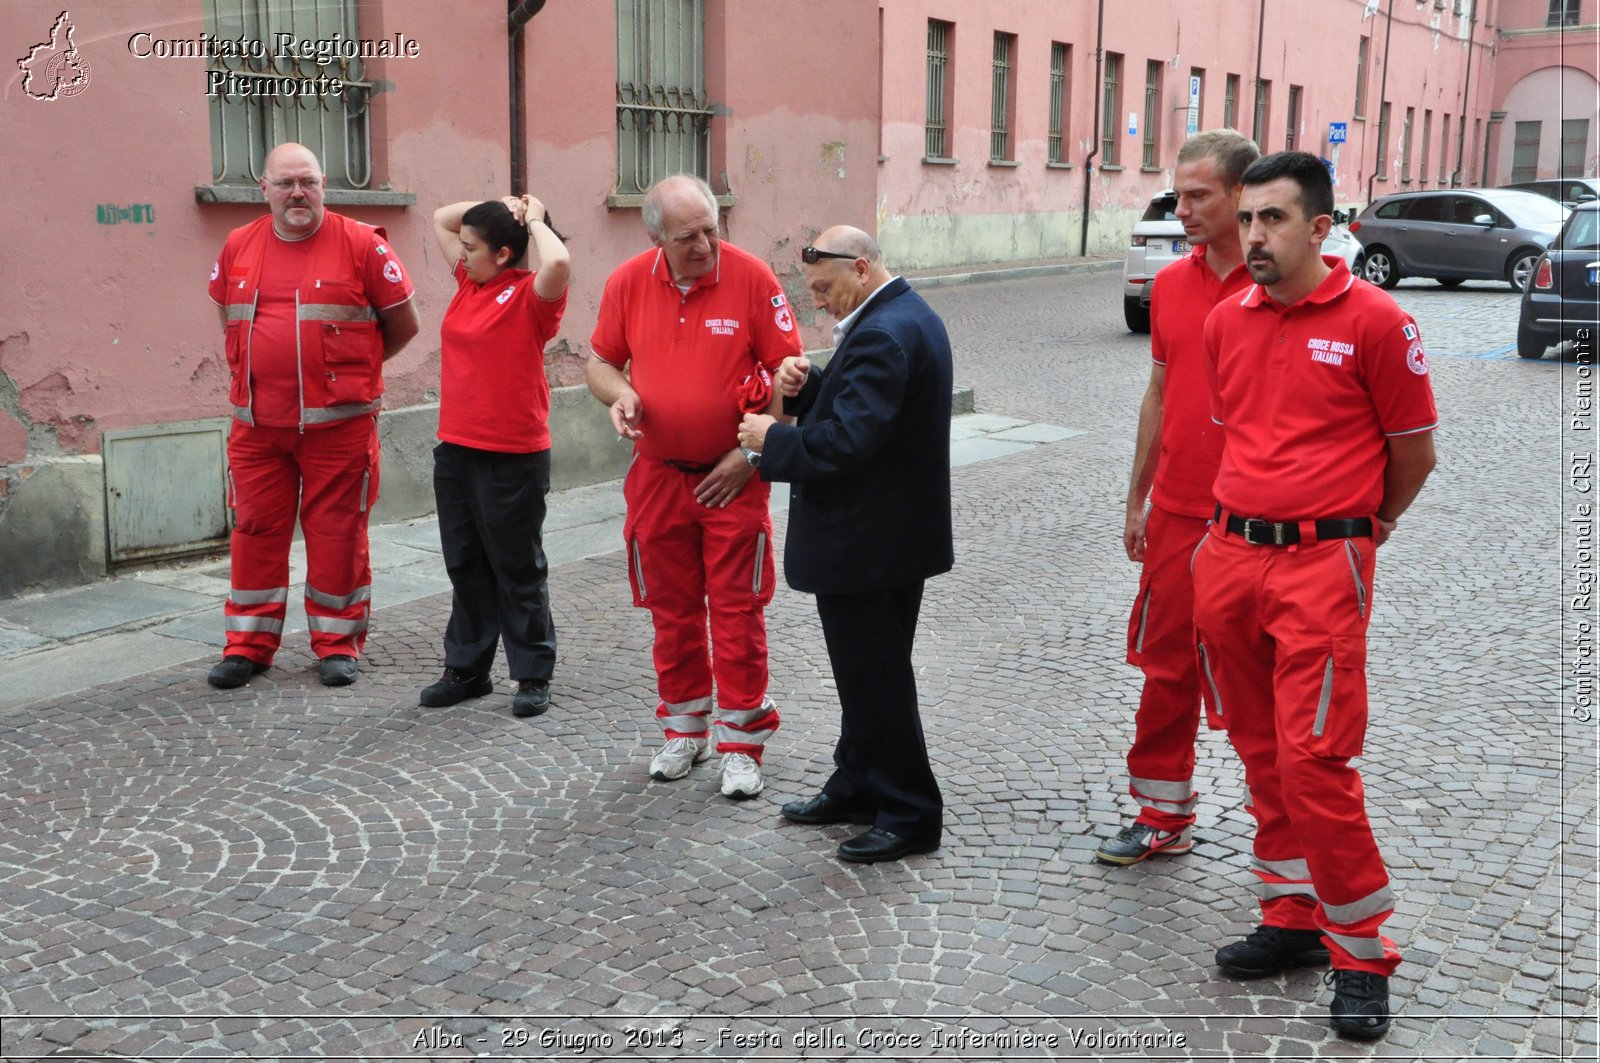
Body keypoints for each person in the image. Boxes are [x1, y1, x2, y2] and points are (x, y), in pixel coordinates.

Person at [1193, 151, 1437, 1039]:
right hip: (1229, 556)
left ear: (1321, 227)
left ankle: (1362, 950)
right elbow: (1241, 433)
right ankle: (1292, 916)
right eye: (1247, 218)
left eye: (1273, 220)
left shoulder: (1376, 321)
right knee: (1259, 746)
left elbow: (1413, 453)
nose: (1252, 235)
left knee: (1316, 756)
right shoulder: (1229, 319)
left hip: (1320, 566)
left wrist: (1363, 527)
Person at [737, 226, 952, 864]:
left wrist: (767, 440)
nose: (820, 303)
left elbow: (849, 446)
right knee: (868, 678)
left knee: (876, 680)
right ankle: (858, 781)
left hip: (869, 542)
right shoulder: (900, 315)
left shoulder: (885, 331)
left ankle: (910, 811)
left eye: (826, 288)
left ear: (860, 268)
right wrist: (809, 388)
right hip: (886, 537)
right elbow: (868, 412)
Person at [586, 174, 801, 799]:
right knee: (670, 611)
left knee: (737, 614)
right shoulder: (628, 281)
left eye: (712, 229)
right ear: (656, 238)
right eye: (689, 238)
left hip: (733, 477)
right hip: (657, 478)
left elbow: (785, 375)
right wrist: (620, 393)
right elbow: (599, 361)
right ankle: (684, 728)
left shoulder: (754, 279)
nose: (706, 245)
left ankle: (742, 743)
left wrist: (751, 456)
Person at [1096, 130, 1260, 866]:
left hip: (1259, 521)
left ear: (1241, 195)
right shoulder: (1170, 284)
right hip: (1179, 512)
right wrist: (1140, 498)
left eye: (1199, 196)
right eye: (1179, 193)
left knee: (1264, 674)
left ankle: (1283, 823)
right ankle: (1161, 811)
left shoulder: (1278, 285)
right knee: (1166, 667)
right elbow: (1158, 394)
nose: (1182, 209)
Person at [206, 142, 420, 690]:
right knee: (254, 530)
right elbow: (229, 317)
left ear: (325, 185)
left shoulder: (362, 246)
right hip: (256, 429)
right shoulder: (238, 246)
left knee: (338, 535)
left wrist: (353, 374)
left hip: (338, 428)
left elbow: (403, 326)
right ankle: (248, 646)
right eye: (285, 184)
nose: (297, 193)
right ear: (265, 190)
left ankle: (337, 643)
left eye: (308, 182)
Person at [418, 194, 571, 718]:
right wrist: (502, 203)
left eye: (471, 248)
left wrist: (535, 217)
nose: (460, 255)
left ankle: (532, 676)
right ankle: (467, 669)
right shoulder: (469, 284)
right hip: (456, 450)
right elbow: (440, 215)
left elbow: (558, 261)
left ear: (504, 254)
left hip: (512, 456)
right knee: (466, 564)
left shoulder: (532, 295)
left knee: (517, 567)